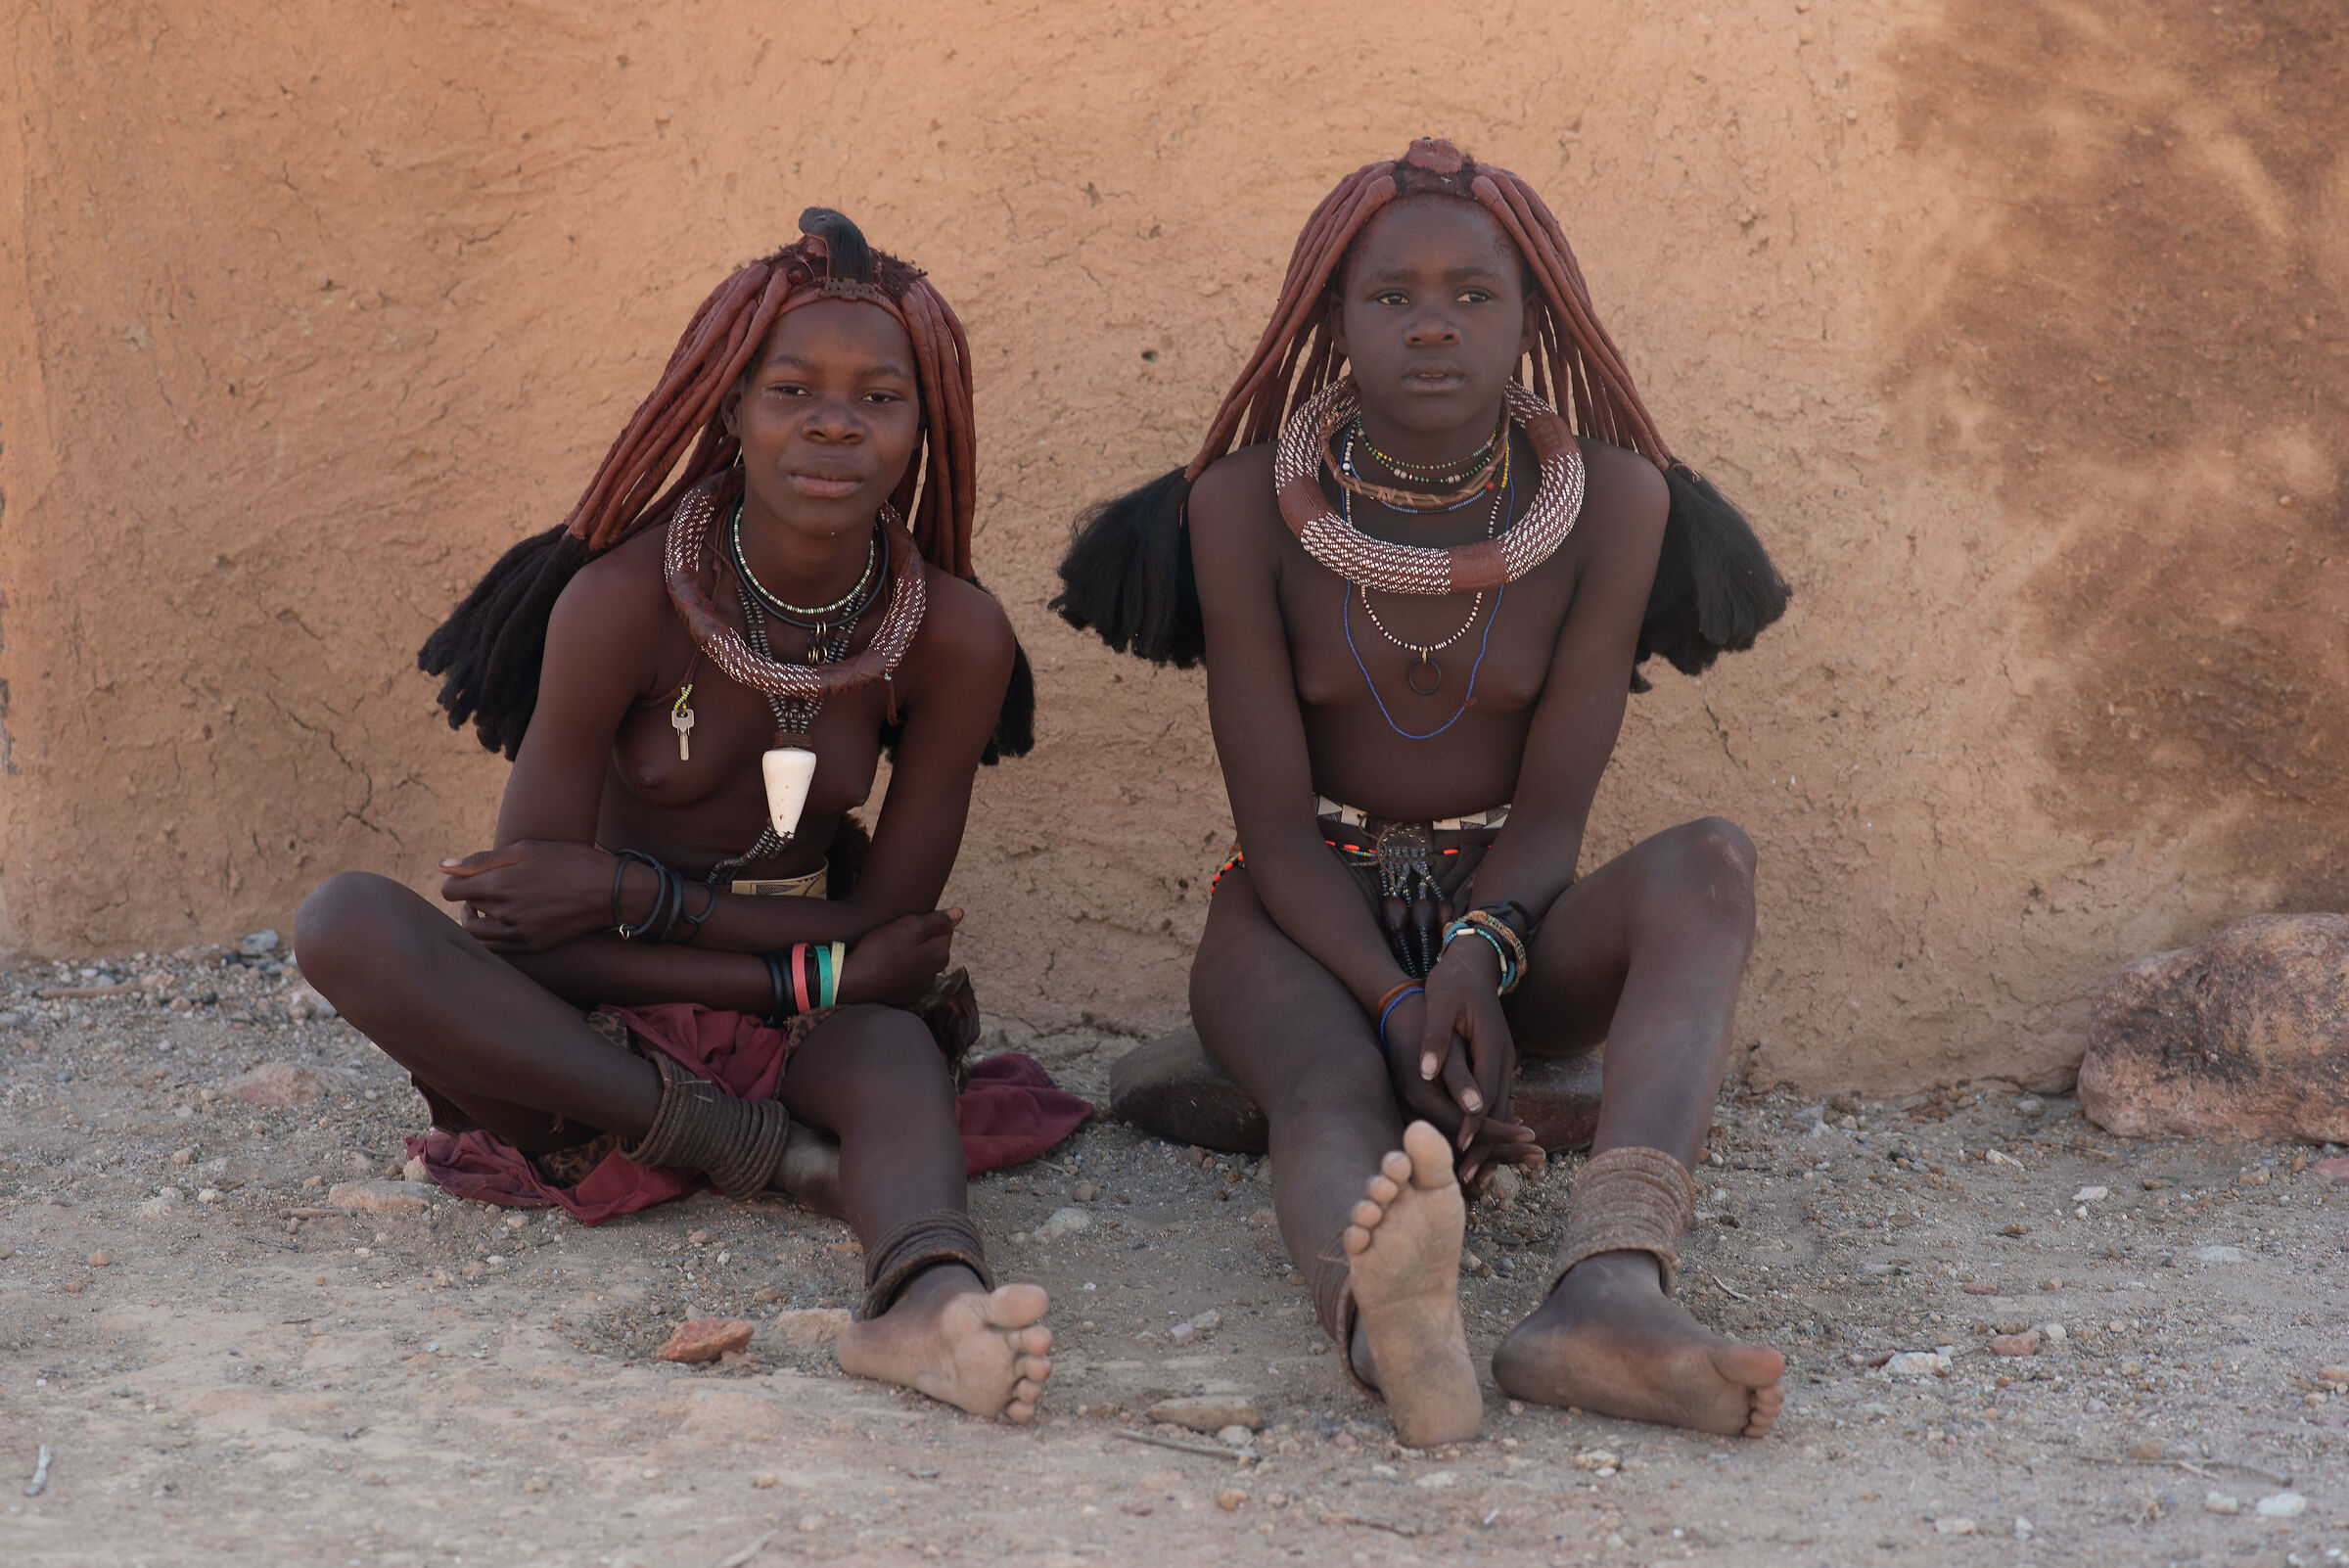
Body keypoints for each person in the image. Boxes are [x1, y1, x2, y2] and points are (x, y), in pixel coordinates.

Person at [1056, 140, 1792, 1445]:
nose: (1434, 324)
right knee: (1332, 1083)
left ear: (1535, 318)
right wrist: (1403, 997)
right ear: (1331, 323)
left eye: (1475, 294)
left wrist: (1475, 955)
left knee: (1709, 862)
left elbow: (1556, 816)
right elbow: (1275, 832)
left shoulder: (1616, 504)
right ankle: (1385, 1332)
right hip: (1296, 909)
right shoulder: (1237, 507)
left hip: (1505, 905)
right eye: (1389, 297)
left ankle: (1608, 1289)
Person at [297, 209, 1074, 1422]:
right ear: (728, 409)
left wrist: (647, 902)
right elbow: (527, 931)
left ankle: (929, 1302)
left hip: (806, 1015)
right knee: (346, 919)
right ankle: (755, 1153)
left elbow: (894, 929)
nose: (834, 421)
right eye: (791, 388)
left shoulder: (955, 637)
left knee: (893, 1052)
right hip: (597, 1026)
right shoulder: (620, 603)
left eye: (881, 397)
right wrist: (786, 966)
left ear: (927, 430)